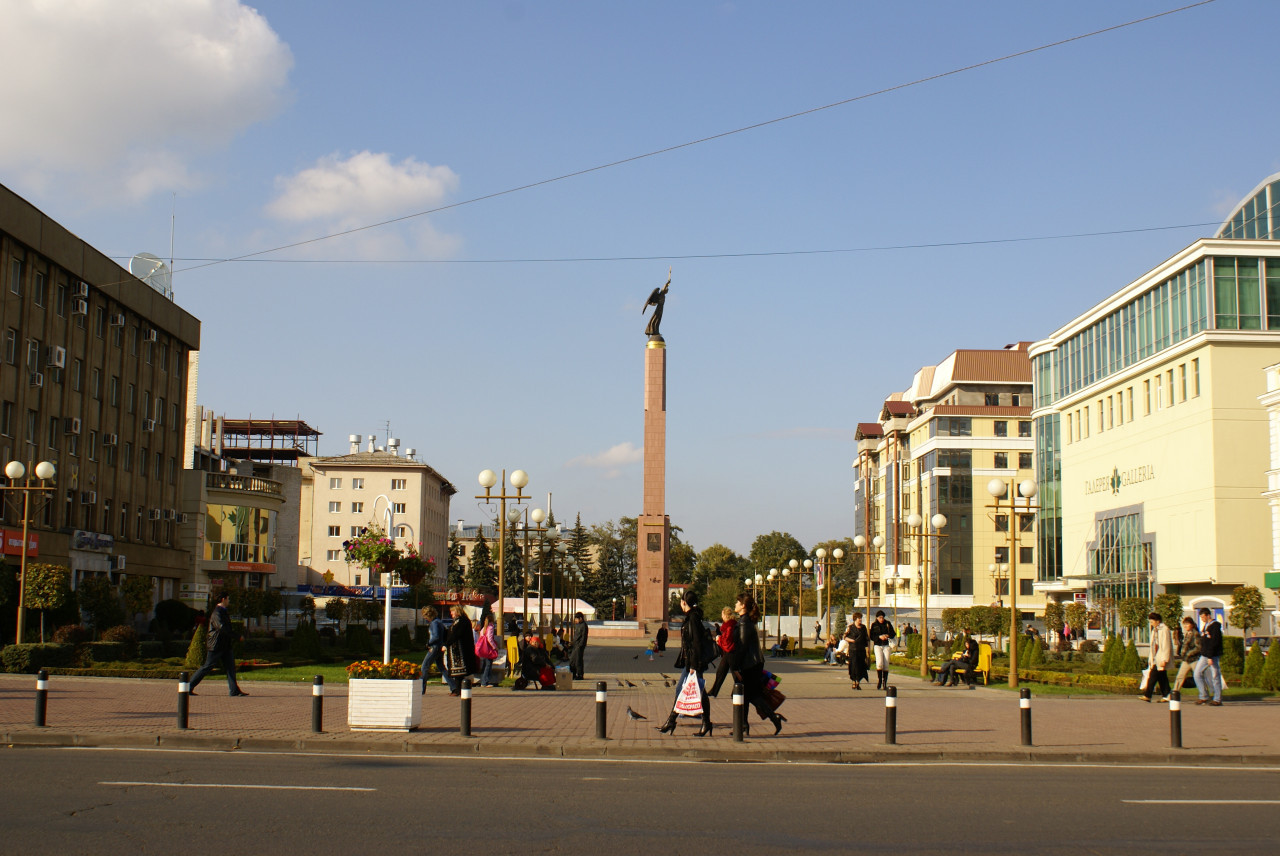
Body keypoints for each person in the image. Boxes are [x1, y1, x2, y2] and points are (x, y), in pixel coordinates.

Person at [656, 591, 714, 737]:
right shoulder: (692, 617)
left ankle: (672, 721)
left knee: (682, 690)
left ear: (684, 602)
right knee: (700, 692)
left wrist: (694, 666)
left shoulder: (693, 618)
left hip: (693, 663)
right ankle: (705, 723)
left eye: (681, 602)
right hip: (692, 662)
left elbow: (696, 643)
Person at [730, 591, 785, 735]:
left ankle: (767, 719)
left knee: (746, 695)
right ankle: (745, 725)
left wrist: (735, 667)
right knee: (747, 696)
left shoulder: (744, 623)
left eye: (737, 602)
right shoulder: (746, 621)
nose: (735, 604)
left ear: (743, 606)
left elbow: (741, 647)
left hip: (749, 665)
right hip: (753, 664)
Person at [189, 593, 248, 697]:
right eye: (228, 599)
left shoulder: (223, 611)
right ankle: (188, 686)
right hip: (217, 645)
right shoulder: (217, 612)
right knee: (207, 666)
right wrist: (237, 636)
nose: (229, 601)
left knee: (230, 667)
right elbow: (222, 628)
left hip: (225, 644)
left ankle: (234, 690)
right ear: (223, 599)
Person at [444, 605, 478, 696]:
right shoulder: (457, 621)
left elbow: (456, 634)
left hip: (461, 652)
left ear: (457, 611)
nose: (451, 613)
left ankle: (459, 690)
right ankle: (458, 689)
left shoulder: (463, 621)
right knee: (458, 673)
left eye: (453, 611)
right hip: (456, 651)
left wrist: (446, 644)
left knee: (460, 673)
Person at [1193, 607, 1224, 706]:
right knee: (1197, 674)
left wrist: (1210, 656)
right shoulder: (1206, 626)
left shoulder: (1215, 626)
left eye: (1203, 617)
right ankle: (1204, 696)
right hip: (1204, 655)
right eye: (1201, 617)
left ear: (1208, 615)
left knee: (1215, 676)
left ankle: (1217, 699)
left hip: (1212, 656)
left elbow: (1214, 642)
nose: (1202, 619)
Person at [1140, 612, 1173, 702]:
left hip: (1160, 657)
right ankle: (1167, 695)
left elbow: (1166, 645)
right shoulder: (1154, 630)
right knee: (1162, 677)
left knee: (1153, 676)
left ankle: (1148, 695)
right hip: (1155, 657)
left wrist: (1165, 659)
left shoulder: (1164, 629)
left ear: (1158, 621)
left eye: (1152, 622)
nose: (1151, 624)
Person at [708, 606, 737, 697]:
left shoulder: (729, 626)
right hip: (728, 652)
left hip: (731, 652)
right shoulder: (729, 625)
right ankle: (714, 691)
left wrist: (718, 639)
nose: (721, 616)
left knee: (735, 674)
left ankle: (736, 692)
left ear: (725, 615)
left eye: (722, 614)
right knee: (721, 672)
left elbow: (727, 641)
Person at [419, 607, 447, 694]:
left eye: (425, 616)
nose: (424, 618)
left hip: (434, 647)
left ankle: (421, 689)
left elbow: (436, 636)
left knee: (424, 667)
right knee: (441, 667)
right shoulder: (439, 622)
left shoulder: (434, 623)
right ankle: (454, 686)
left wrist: (428, 643)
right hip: (439, 647)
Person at [1172, 616, 1201, 694]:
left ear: (1191, 624)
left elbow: (1198, 647)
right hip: (1186, 660)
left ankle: (1204, 694)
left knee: (1198, 677)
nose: (1185, 626)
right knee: (1180, 676)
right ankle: (1175, 692)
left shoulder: (1195, 634)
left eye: (1187, 624)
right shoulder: (1187, 634)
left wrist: (1189, 653)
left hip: (1194, 659)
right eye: (1184, 624)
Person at [870, 610, 896, 690]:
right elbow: (871, 636)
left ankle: (885, 682)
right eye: (880, 617)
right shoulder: (874, 625)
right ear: (877, 618)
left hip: (886, 645)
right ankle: (880, 680)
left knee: (886, 663)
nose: (881, 619)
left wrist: (887, 635)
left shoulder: (887, 624)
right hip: (878, 645)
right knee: (879, 663)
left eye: (882, 617)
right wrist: (879, 637)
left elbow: (893, 633)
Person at [845, 612, 870, 690]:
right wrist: (852, 641)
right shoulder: (850, 627)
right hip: (853, 649)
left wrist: (868, 649)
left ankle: (858, 682)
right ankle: (853, 681)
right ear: (855, 619)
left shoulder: (863, 628)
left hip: (861, 650)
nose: (860, 620)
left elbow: (867, 639)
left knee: (860, 666)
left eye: (861, 618)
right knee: (853, 666)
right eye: (859, 618)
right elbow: (844, 637)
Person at [474, 614, 500, 687]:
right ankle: (485, 682)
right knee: (488, 665)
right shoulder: (491, 627)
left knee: (485, 665)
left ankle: (483, 680)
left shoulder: (484, 628)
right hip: (489, 649)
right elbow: (490, 639)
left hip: (483, 649)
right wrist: (495, 647)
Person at [568, 612, 589, 680]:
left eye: (576, 619)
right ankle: (573, 674)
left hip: (579, 646)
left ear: (580, 618)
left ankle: (580, 675)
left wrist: (580, 645)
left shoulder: (584, 625)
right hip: (575, 645)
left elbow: (584, 637)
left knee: (578, 661)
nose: (575, 621)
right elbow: (576, 636)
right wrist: (572, 643)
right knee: (572, 660)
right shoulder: (578, 625)